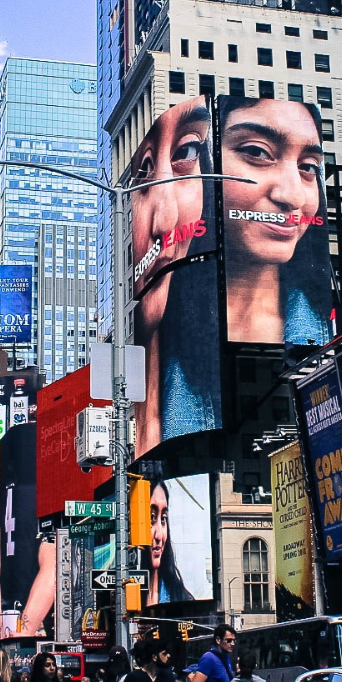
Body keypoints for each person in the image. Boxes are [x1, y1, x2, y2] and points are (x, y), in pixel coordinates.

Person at [127, 95, 221, 456]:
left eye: (186, 152)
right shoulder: (121, 413)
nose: (164, 221)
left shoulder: (200, 406)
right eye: (145, 169)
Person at [219, 96, 332, 347]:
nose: (293, 197)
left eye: (308, 167)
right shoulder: (162, 333)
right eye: (257, 152)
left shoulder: (329, 331)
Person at [148, 481, 194, 604]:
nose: (159, 535)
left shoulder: (182, 598)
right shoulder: (117, 599)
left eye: (163, 518)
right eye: (151, 518)